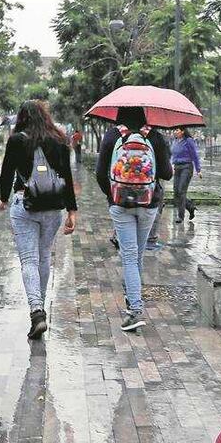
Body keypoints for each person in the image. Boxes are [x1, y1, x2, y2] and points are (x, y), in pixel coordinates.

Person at [0, 101, 77, 339]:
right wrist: (72, 211)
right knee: (43, 257)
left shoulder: (17, 140)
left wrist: (3, 198)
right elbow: (67, 176)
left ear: (22, 117)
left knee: (29, 260)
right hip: (53, 208)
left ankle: (36, 312)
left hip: (25, 204)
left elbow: (7, 172)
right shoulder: (60, 140)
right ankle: (39, 309)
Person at [95, 107, 172, 331]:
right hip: (148, 204)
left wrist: (112, 195)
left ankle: (135, 309)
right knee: (137, 255)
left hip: (120, 205)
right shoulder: (154, 136)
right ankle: (133, 301)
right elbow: (167, 173)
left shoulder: (112, 135)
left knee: (129, 256)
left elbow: (100, 174)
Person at [170, 127, 202, 223]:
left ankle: (181, 216)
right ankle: (190, 206)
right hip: (177, 167)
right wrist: (170, 165)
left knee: (181, 191)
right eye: (174, 130)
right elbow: (172, 155)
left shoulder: (188, 141)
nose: (175, 132)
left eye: (177, 130)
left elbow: (195, 155)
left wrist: (198, 170)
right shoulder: (175, 141)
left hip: (186, 167)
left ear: (183, 131)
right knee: (176, 192)